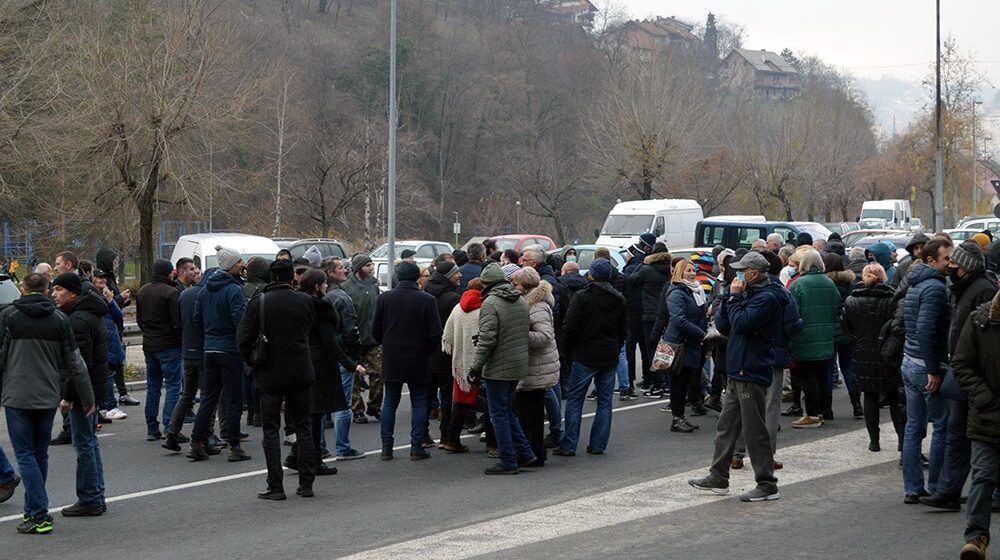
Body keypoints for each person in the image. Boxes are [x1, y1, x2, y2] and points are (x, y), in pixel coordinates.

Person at [1, 272, 95, 534]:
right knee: (39, 454)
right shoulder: (60, 320)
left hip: (17, 396)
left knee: (24, 454)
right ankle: (32, 512)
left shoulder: (10, 317)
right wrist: (88, 398)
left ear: (22, 289)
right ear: (46, 290)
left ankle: (40, 513)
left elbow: (1, 357)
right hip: (46, 397)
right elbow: (75, 364)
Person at [688, 251, 782, 502]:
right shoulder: (745, 295)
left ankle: (766, 483)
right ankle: (718, 476)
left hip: (751, 368)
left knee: (754, 430)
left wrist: (736, 297)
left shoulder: (767, 297)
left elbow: (742, 324)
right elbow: (726, 325)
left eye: (742, 270)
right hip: (737, 367)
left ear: (755, 273)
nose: (737, 274)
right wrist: (730, 298)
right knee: (726, 426)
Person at [921, 241, 997, 511]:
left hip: (980, 379)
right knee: (956, 434)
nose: (950, 267)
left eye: (954, 263)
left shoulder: (984, 289)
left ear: (966, 268)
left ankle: (987, 493)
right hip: (964, 375)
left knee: (985, 438)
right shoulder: (962, 289)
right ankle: (948, 491)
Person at [238, 260, 316, 499]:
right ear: (292, 277)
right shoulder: (305, 301)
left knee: (271, 430)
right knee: (303, 427)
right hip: (300, 370)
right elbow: (309, 331)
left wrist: (253, 364)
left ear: (271, 278)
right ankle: (306, 483)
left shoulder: (258, 302)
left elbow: (242, 339)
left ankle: (276, 485)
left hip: (270, 372)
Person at [554, 258, 627, 457]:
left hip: (585, 353)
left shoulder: (582, 297)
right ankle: (598, 444)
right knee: (605, 401)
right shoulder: (618, 298)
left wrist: (571, 348)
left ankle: (569, 444)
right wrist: (616, 345)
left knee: (576, 400)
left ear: (591, 274)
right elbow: (623, 330)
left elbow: (569, 327)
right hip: (609, 353)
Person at [50, 272, 110, 517]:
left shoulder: (78, 320)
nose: (54, 294)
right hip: (93, 389)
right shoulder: (86, 313)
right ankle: (96, 494)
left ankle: (90, 498)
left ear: (73, 293)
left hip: (85, 391)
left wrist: (69, 395)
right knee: (89, 442)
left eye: (59, 290)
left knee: (84, 443)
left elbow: (79, 364)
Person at [295, 270, 365, 472]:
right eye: (324, 283)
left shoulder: (300, 305)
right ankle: (314, 459)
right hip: (321, 365)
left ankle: (304, 455)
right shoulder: (322, 310)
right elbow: (330, 345)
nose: (327, 286)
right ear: (317, 286)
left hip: (301, 362)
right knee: (317, 415)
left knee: (310, 415)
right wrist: (353, 365)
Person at [468, 262, 534, 473]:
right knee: (506, 410)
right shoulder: (520, 301)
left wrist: (475, 367)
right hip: (518, 362)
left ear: (485, 284)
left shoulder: (491, 303)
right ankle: (524, 452)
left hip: (499, 366)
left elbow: (487, 339)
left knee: (498, 414)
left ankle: (508, 459)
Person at [900, 237, 952, 504]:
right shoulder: (933, 287)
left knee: (913, 426)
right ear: (931, 260)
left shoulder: (915, 283)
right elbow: (925, 329)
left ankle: (912, 488)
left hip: (909, 361)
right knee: (941, 425)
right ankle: (937, 487)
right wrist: (933, 369)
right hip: (924, 364)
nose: (950, 263)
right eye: (946, 259)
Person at [373, 260, 442, 461]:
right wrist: (426, 349)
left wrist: (387, 343)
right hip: (418, 356)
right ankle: (416, 446)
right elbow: (435, 332)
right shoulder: (427, 300)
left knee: (390, 402)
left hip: (392, 355)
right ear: (416, 278)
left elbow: (375, 330)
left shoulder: (384, 299)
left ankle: (386, 447)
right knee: (420, 401)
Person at [189, 246, 251, 463]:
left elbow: (197, 318)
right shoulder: (234, 290)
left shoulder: (205, 289)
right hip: (229, 350)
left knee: (208, 398)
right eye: (239, 262)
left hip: (209, 348)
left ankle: (197, 442)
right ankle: (235, 446)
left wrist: (211, 332)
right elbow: (240, 322)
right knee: (233, 399)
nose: (243, 265)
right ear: (230, 265)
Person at [953, 290, 1000, 560]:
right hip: (987, 417)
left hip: (986, 413)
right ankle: (976, 538)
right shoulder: (981, 320)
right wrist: (984, 399)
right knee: (982, 478)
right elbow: (961, 364)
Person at [843, 263, 904, 452]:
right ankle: (902, 440)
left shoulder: (852, 300)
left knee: (870, 396)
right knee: (894, 396)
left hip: (862, 351)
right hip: (888, 352)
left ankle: (874, 441)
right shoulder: (892, 298)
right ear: (883, 276)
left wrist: (859, 338)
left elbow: (846, 328)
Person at [788, 249, 840, 429]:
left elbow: (792, 311)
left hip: (804, 336)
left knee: (807, 377)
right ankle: (824, 410)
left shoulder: (798, 284)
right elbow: (836, 305)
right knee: (822, 376)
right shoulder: (829, 282)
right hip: (826, 335)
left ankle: (812, 413)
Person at [511, 267, 558, 467]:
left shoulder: (537, 306)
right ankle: (531, 451)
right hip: (534, 366)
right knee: (527, 411)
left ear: (525, 285)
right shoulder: (529, 302)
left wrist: (519, 334)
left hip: (537, 367)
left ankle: (535, 453)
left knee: (533, 414)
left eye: (515, 284)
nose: (513, 287)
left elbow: (544, 337)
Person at [162, 269, 212, 453]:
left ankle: (172, 432)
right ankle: (204, 437)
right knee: (208, 397)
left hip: (187, 349)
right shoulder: (206, 295)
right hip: (203, 350)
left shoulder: (185, 294)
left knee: (187, 395)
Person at [321, 257, 364, 460]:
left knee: (320, 404)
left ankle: (319, 445)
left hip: (322, 356)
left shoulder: (318, 296)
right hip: (341, 355)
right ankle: (343, 447)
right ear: (330, 273)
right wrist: (354, 358)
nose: (345, 270)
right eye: (340, 268)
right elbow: (350, 330)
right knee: (343, 403)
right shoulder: (341, 297)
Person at [135, 259, 183, 441]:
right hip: (168, 345)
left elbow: (139, 320)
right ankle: (170, 426)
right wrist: (178, 340)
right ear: (168, 272)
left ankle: (151, 427)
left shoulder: (142, 291)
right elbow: (177, 322)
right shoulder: (171, 292)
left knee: (153, 387)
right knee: (173, 386)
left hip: (149, 344)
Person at [441, 278, 487, 453]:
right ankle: (492, 442)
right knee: (490, 403)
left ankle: (452, 440)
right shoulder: (486, 308)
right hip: (481, 361)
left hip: (461, 362)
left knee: (461, 402)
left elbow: (448, 335)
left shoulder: (457, 307)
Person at [662, 259, 708, 433]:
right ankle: (677, 418)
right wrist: (701, 333)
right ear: (679, 272)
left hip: (692, 343)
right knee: (679, 383)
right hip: (680, 343)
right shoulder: (676, 293)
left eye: (694, 270)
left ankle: (681, 417)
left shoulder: (694, 290)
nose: (692, 273)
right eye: (688, 270)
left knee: (686, 381)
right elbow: (678, 320)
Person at [424, 261, 462, 447]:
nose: (460, 276)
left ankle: (422, 435)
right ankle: (446, 435)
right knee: (447, 396)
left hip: (425, 353)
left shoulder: (425, 294)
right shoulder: (453, 298)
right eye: (456, 273)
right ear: (448, 277)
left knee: (425, 396)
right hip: (445, 353)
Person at [342, 253, 383, 425]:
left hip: (373, 338)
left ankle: (374, 406)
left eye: (372, 265)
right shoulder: (346, 288)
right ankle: (357, 410)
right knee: (355, 378)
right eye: (368, 266)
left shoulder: (374, 285)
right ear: (359, 268)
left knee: (379, 373)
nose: (372, 268)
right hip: (354, 340)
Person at [95, 247, 138, 406]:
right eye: (112, 260)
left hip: (115, 324)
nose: (114, 264)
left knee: (118, 361)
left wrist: (122, 300)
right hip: (109, 326)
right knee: (112, 364)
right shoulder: (102, 279)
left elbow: (113, 304)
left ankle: (121, 394)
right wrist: (120, 298)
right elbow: (106, 304)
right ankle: (112, 398)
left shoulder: (110, 278)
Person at [630, 243, 673, 397]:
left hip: (650, 314)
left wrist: (642, 263)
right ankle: (667, 382)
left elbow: (632, 280)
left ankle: (657, 383)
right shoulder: (671, 269)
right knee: (666, 348)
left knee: (651, 348)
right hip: (668, 313)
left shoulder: (646, 270)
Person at [824, 253, 863, 419]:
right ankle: (856, 404)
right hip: (847, 329)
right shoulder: (850, 283)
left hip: (829, 331)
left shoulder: (825, 283)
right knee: (848, 368)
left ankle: (827, 408)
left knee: (827, 369)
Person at [92, 270, 128, 422]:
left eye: (103, 277)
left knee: (109, 374)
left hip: (111, 338)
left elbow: (118, 316)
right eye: (99, 278)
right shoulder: (92, 296)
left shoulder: (106, 296)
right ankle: (108, 406)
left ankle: (107, 406)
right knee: (106, 376)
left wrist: (112, 300)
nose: (103, 280)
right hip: (104, 340)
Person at [622, 233, 656, 392]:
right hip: (646, 311)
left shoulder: (633, 269)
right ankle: (649, 379)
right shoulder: (651, 266)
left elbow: (628, 284)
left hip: (633, 312)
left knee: (630, 347)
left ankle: (629, 381)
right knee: (645, 347)